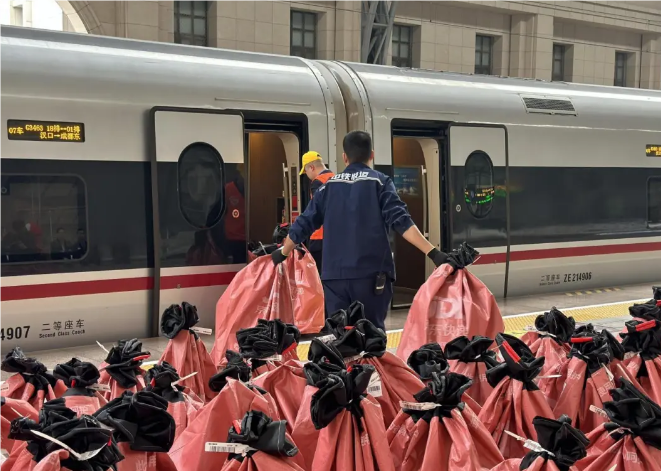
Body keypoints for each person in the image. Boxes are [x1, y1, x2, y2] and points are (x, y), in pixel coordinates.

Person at [272, 131, 451, 330]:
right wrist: (433, 253)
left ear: (344, 157)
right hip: (371, 275)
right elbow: (401, 221)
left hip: (335, 277)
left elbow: (303, 224)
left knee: (341, 336)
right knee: (371, 335)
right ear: (371, 155)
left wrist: (283, 253)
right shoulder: (380, 182)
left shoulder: (327, 187)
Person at [299, 151, 334, 274]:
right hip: (333, 236)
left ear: (311, 167)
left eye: (306, 171)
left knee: (317, 276)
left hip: (319, 237)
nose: (307, 176)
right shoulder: (335, 178)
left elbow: (316, 210)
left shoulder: (317, 182)